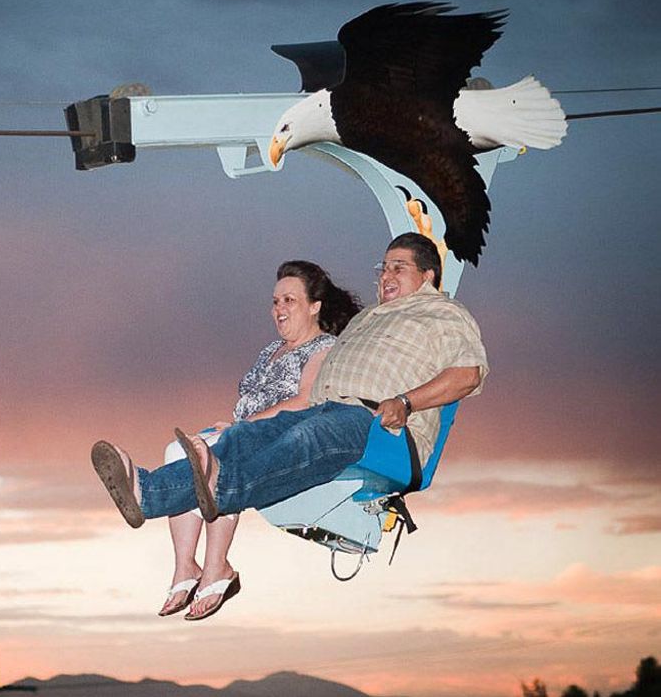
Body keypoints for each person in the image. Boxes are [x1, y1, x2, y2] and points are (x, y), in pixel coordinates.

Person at [91, 232, 488, 616]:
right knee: (245, 434)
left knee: (303, 436)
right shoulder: (368, 318)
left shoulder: (443, 313)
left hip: (377, 425)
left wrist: (405, 401)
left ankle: (222, 486)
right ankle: (147, 492)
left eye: (398, 268)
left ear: (428, 276)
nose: (385, 275)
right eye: (382, 268)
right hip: (328, 410)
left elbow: (469, 373)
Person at [158, 261, 361, 620]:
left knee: (218, 457)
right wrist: (234, 425)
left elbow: (306, 399)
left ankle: (216, 566)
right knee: (178, 451)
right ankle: (185, 566)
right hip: (244, 429)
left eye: (289, 301)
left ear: (315, 306)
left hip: (281, 436)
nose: (279, 309)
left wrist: (242, 427)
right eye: (275, 301)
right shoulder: (271, 351)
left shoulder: (324, 347)